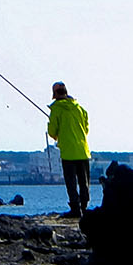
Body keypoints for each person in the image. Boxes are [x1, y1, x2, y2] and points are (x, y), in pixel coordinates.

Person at [46, 81, 93, 217]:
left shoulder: (56, 109)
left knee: (71, 182)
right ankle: (84, 207)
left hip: (68, 152)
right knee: (84, 182)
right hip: (83, 150)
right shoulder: (80, 109)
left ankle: (75, 209)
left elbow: (52, 131)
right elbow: (86, 129)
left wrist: (58, 135)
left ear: (54, 94)